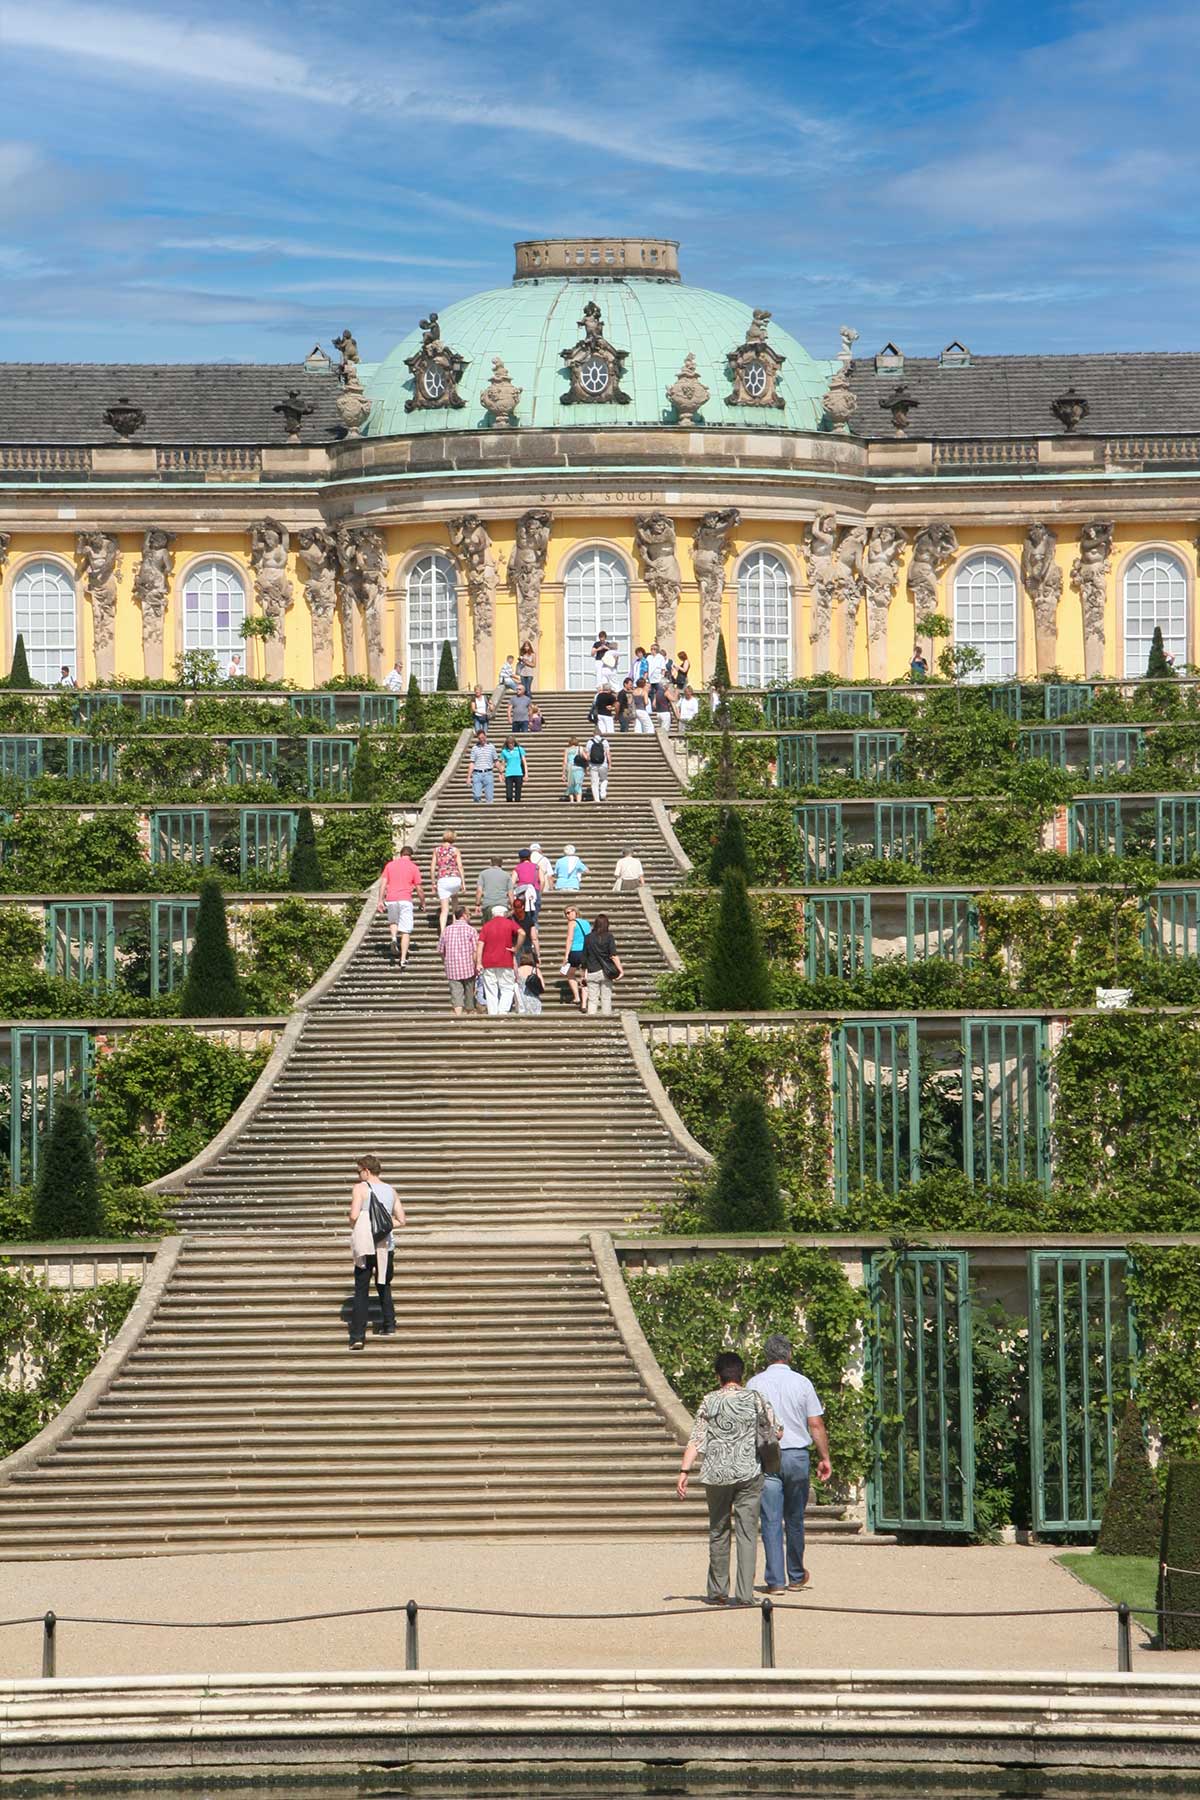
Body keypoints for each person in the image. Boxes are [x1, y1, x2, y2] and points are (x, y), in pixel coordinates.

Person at [677, 1350, 781, 1607]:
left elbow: (697, 1439)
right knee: (747, 1533)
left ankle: (718, 1591)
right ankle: (745, 1594)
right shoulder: (756, 1398)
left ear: (718, 1375)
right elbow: (776, 1431)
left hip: (716, 1474)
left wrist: (684, 1471)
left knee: (719, 1530)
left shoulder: (710, 1401)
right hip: (749, 1472)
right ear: (740, 1374)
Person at [747, 1335, 833, 1595]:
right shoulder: (802, 1382)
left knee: (771, 1519)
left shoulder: (754, 1383)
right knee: (795, 1518)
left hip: (767, 1455)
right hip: (797, 1454)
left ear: (766, 1356)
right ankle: (796, 1574)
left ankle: (775, 1581)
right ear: (789, 1355)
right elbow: (815, 1424)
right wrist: (824, 1457)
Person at [348, 1155, 405, 1351]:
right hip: (385, 1245)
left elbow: (354, 1216)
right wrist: (382, 1226)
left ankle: (357, 1336)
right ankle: (389, 1325)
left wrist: (364, 1224)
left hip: (366, 1245)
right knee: (384, 1284)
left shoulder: (360, 1189)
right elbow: (402, 1220)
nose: (358, 1175)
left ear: (366, 1170)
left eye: (358, 1171)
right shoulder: (391, 1190)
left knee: (362, 1290)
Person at [377, 843, 423, 968]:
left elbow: (383, 883)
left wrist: (380, 900)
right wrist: (422, 902)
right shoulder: (413, 867)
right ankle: (402, 959)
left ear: (401, 854)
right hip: (405, 899)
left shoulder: (390, 865)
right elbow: (419, 888)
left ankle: (393, 938)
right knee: (406, 931)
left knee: (393, 921)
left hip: (391, 899)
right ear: (410, 856)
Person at [477, 904, 522, 1014]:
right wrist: (516, 948)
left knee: (490, 989)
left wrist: (478, 962)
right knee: (507, 987)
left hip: (488, 961)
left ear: (493, 914)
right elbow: (522, 932)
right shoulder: (509, 923)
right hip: (505, 960)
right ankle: (502, 1011)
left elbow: (480, 944)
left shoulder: (486, 926)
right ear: (504, 914)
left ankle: (492, 1012)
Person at [437, 904, 479, 1016]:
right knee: (470, 992)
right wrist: (477, 965)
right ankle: (470, 1012)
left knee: (456, 994)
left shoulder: (446, 930)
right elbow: (475, 951)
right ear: (464, 915)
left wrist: (445, 962)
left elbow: (441, 950)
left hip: (452, 967)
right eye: (469, 914)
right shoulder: (471, 930)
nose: (470, 916)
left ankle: (458, 1017)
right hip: (469, 966)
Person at [581, 911, 623, 1015]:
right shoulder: (609, 937)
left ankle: (592, 1020)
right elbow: (613, 955)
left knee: (592, 999)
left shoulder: (588, 937)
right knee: (606, 998)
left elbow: (584, 957)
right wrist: (620, 970)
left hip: (592, 971)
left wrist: (583, 974)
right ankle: (606, 1019)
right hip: (606, 972)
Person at [430, 829, 465, 933]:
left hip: (443, 879)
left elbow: (432, 867)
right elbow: (460, 866)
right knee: (454, 897)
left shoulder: (436, 850)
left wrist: (433, 882)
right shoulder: (455, 850)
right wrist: (463, 882)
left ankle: (443, 932)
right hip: (455, 878)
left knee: (444, 910)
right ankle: (455, 924)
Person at [560, 906, 591, 1010]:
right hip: (586, 952)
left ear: (575, 912)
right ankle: (584, 1004)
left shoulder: (572, 923)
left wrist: (566, 956)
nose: (568, 915)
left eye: (569, 912)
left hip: (575, 951)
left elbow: (570, 939)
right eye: (566, 913)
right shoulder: (586, 923)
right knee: (585, 977)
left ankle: (577, 997)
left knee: (570, 974)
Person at [469, 731, 498, 804]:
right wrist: (468, 776)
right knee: (476, 795)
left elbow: (496, 760)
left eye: (482, 737)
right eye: (479, 738)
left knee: (489, 797)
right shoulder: (474, 748)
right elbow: (472, 763)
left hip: (488, 773)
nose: (481, 739)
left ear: (485, 736)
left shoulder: (491, 747)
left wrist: (501, 772)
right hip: (477, 773)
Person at [501, 735, 528, 802]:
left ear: (514, 743)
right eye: (509, 743)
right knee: (509, 795)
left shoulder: (519, 749)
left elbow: (524, 762)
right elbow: (503, 764)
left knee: (518, 795)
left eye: (512, 743)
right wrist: (501, 774)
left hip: (518, 773)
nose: (511, 745)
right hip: (508, 774)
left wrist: (526, 774)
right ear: (507, 744)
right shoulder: (504, 751)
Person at [586, 731, 610, 802]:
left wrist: (587, 764)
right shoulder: (605, 741)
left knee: (594, 783)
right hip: (603, 764)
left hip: (593, 765)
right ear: (600, 734)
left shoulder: (590, 742)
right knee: (604, 779)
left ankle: (597, 800)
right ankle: (603, 794)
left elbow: (587, 755)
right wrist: (610, 764)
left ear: (593, 734)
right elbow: (608, 753)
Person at [563, 737, 586, 803]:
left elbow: (564, 762)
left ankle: (572, 800)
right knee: (578, 785)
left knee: (570, 785)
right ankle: (578, 801)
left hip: (570, 768)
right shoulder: (580, 748)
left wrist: (563, 773)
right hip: (579, 768)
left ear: (569, 743)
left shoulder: (567, 750)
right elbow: (586, 758)